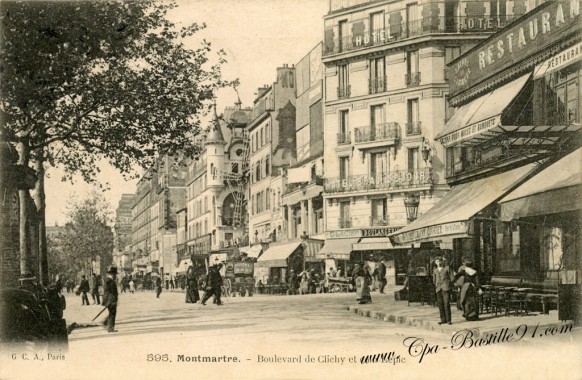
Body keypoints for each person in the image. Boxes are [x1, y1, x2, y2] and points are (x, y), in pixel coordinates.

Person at [433, 256, 453, 325]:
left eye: (439, 261)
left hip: (445, 288)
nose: (438, 263)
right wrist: (436, 285)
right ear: (435, 263)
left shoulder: (446, 269)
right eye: (437, 261)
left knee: (446, 304)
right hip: (438, 288)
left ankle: (448, 320)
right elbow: (434, 280)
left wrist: (449, 285)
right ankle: (443, 319)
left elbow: (451, 278)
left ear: (442, 261)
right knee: (440, 304)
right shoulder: (435, 270)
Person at [102, 267, 119, 333]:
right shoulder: (109, 281)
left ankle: (106, 323)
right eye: (114, 274)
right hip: (111, 300)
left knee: (111, 313)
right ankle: (110, 328)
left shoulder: (109, 281)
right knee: (112, 314)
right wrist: (112, 301)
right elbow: (110, 292)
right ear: (112, 274)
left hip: (110, 300)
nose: (115, 276)